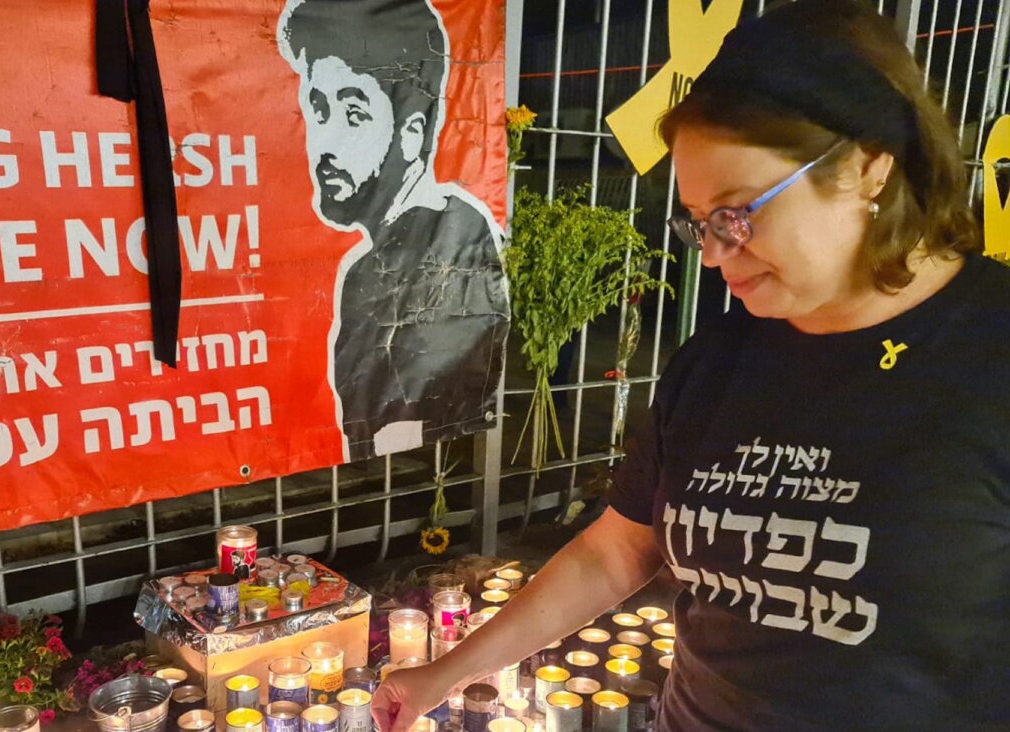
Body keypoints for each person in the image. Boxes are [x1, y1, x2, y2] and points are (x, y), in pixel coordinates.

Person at [372, 1, 1009, 729]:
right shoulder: (721, 361)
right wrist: (444, 674)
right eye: (699, 224)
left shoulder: (988, 354)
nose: (711, 255)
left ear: (867, 169)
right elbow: (615, 552)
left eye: (738, 214)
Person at [277, 0, 511, 461]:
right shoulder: (410, 242)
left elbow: (398, 427)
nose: (325, 142)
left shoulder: (440, 241)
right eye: (318, 110)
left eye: (355, 113)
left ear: (412, 131)